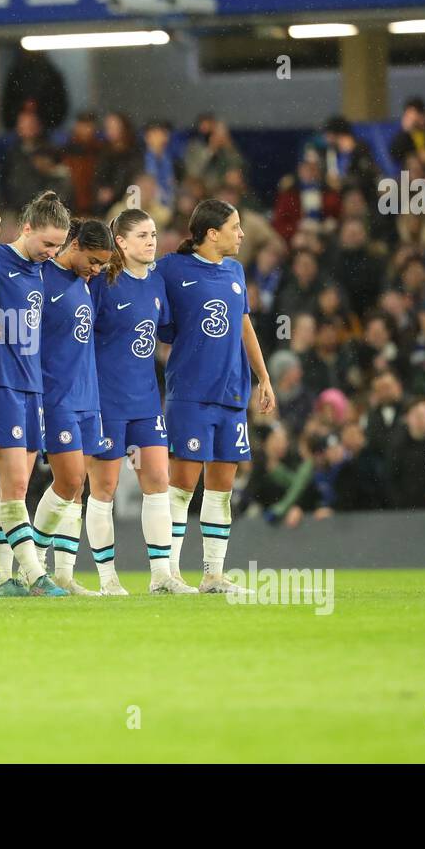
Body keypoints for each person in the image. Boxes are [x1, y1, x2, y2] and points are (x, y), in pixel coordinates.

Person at [157, 199, 277, 594]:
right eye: (235, 226)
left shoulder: (236, 271)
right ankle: (169, 573)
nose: (242, 234)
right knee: (181, 487)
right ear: (212, 233)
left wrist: (263, 377)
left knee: (222, 487)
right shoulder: (172, 269)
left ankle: (212, 574)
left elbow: (244, 327)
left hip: (231, 394)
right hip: (190, 394)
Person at [0, 190, 69, 595]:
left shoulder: (39, 271)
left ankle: (0, 580)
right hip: (0, 384)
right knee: (15, 486)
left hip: (31, 386)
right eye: (47, 243)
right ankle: (35, 575)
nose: (52, 252)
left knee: (12, 488)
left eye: (59, 246)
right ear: (26, 228)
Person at [87, 208, 182, 594]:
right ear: (121, 243)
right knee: (103, 488)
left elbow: (166, 333)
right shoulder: (102, 283)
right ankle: (108, 578)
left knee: (159, 480)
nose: (151, 241)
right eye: (142, 235)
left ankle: (161, 576)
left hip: (145, 400)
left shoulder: (157, 283)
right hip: (107, 402)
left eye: (154, 234)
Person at [35, 217, 115, 596]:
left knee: (77, 489)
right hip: (56, 397)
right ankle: (31, 567)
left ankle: (63, 574)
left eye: (102, 265)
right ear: (76, 244)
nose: (97, 271)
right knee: (68, 481)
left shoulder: (83, 283)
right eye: (94, 261)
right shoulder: (42, 278)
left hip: (86, 396)